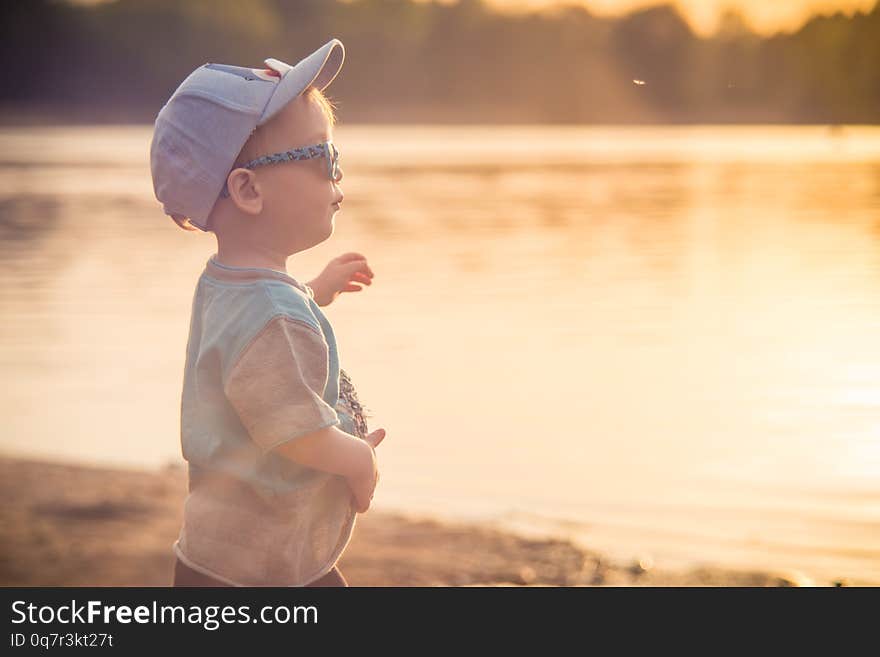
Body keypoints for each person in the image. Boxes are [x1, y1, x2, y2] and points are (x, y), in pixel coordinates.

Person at [149, 38, 386, 587]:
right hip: (260, 572)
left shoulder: (229, 285)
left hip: (219, 554)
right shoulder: (274, 319)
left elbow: (251, 345)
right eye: (323, 158)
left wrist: (314, 292)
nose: (338, 178)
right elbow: (296, 432)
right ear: (249, 190)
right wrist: (356, 460)